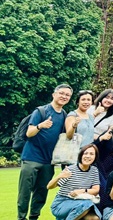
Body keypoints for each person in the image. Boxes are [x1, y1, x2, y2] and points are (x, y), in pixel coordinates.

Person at [18, 84, 72, 220]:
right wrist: (40, 126)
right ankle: (21, 217)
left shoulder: (65, 115)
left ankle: (34, 217)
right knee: (24, 192)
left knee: (42, 192)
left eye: (67, 95)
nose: (64, 96)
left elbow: (63, 140)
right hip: (31, 157)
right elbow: (29, 133)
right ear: (54, 94)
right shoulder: (41, 111)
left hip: (49, 161)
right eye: (61, 93)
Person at [48, 144, 101, 220]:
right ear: (81, 155)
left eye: (91, 154)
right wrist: (59, 176)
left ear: (95, 157)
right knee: (88, 204)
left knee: (94, 218)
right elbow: (49, 187)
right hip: (62, 203)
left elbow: (96, 190)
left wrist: (82, 191)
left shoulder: (94, 170)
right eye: (85, 153)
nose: (88, 156)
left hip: (81, 204)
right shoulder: (71, 170)